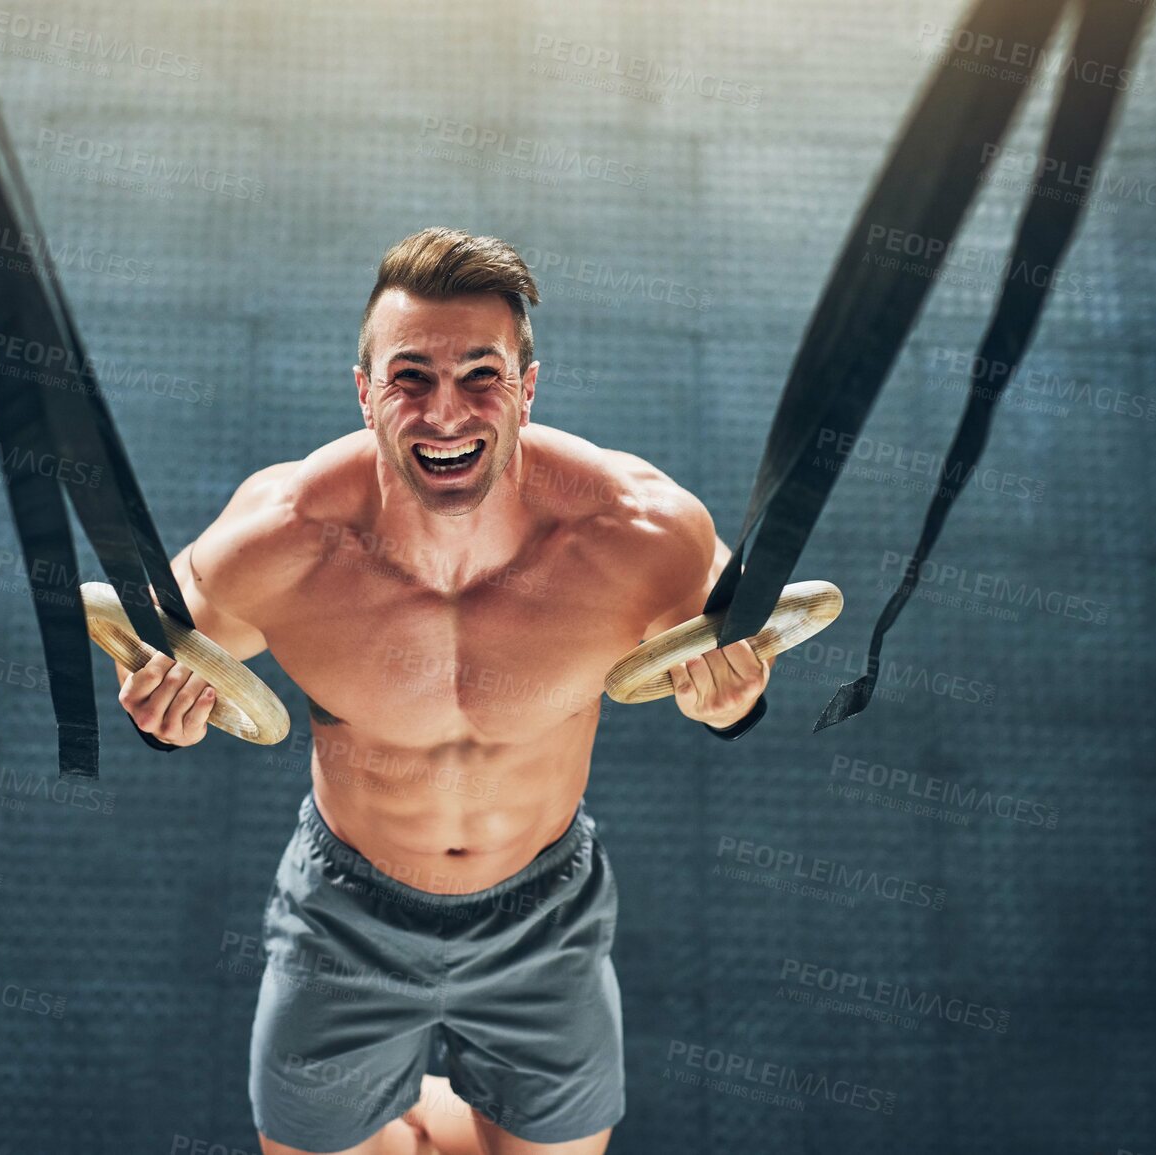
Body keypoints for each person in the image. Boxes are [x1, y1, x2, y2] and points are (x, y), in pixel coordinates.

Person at [116, 227, 772, 1155]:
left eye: (480, 375)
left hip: (542, 907)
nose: (446, 413)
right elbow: (153, 644)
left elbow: (738, 662)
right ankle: (418, 1123)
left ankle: (430, 1116)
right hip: (347, 911)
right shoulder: (281, 537)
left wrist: (731, 700)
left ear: (527, 389)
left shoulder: (637, 532)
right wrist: (158, 717)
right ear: (362, 391)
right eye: (410, 376)